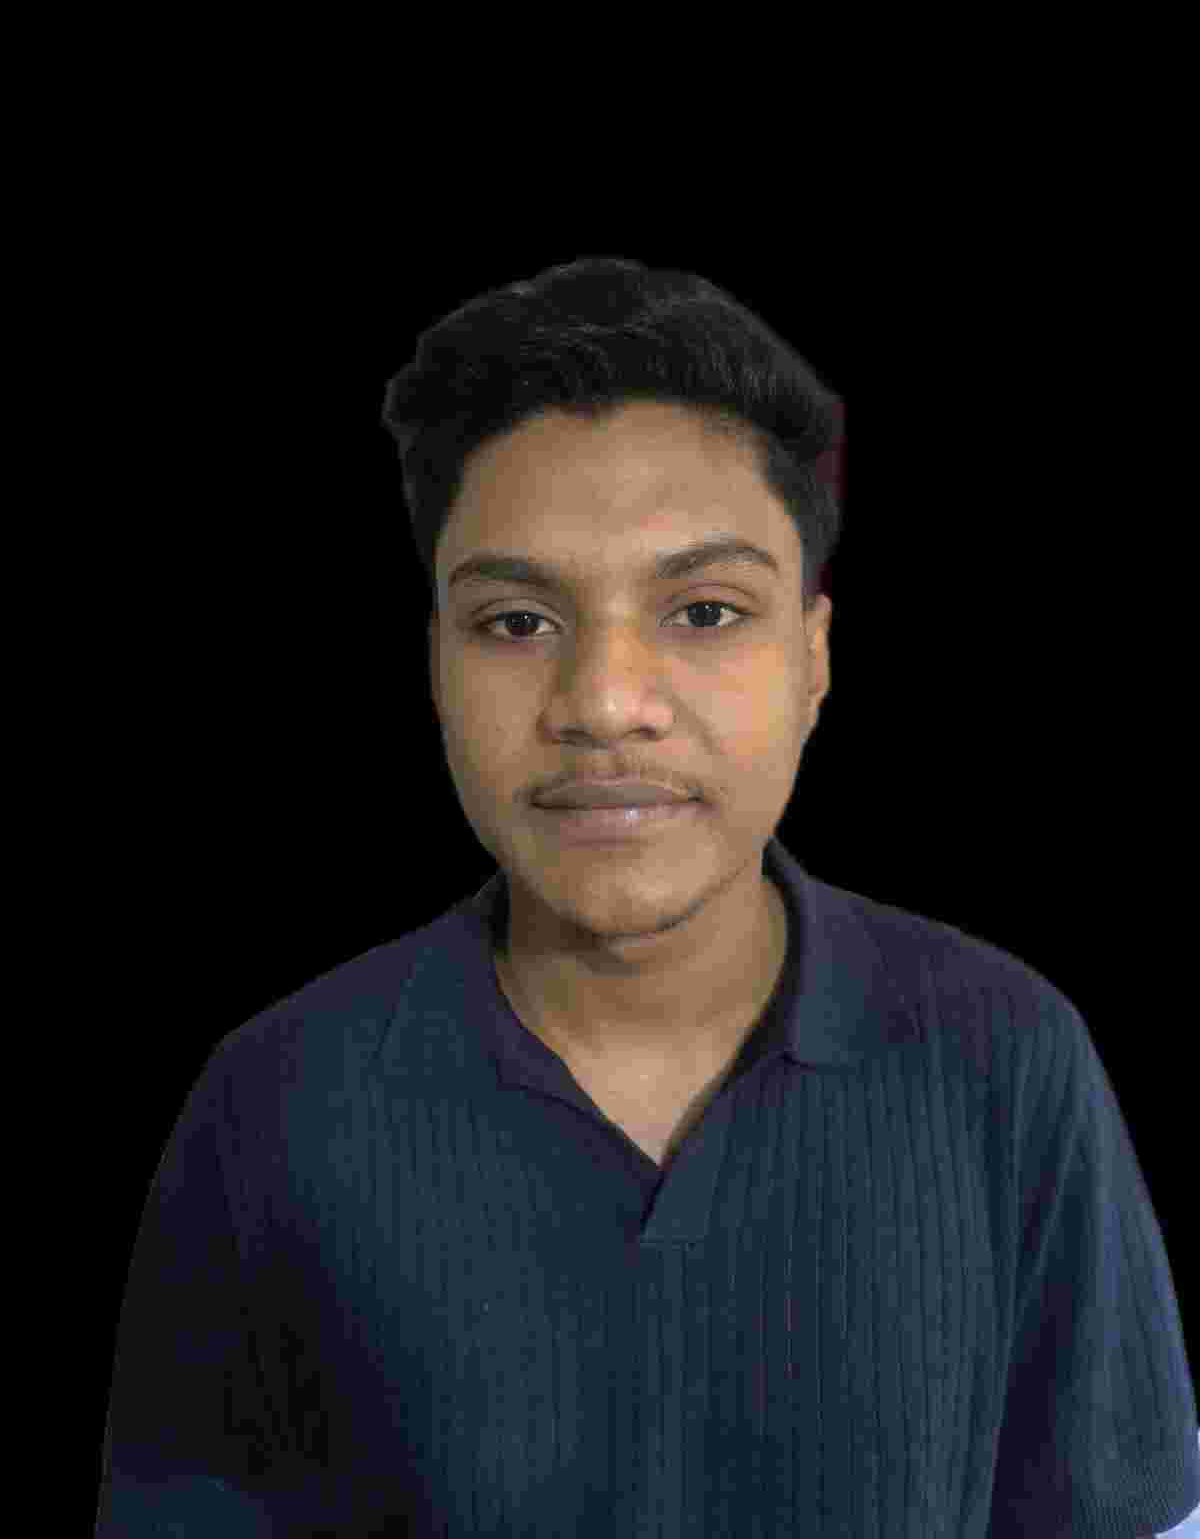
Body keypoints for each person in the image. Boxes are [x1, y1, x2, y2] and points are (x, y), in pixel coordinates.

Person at [96, 259, 1199, 1536]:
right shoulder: (274, 1107)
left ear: (814, 659)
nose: (605, 702)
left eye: (706, 610)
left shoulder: (1007, 1061)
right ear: (435, 661)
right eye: (517, 622)